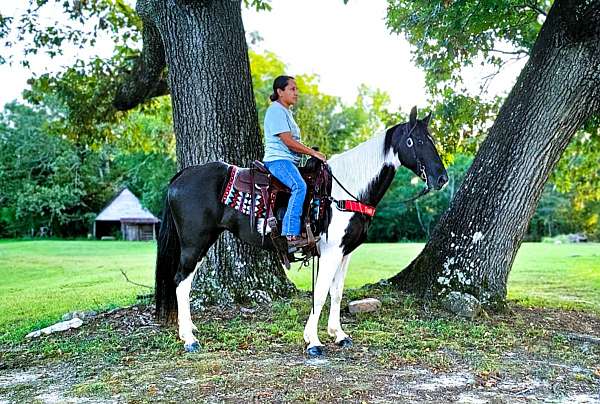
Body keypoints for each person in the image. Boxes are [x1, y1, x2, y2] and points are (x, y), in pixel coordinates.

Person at [263, 75, 326, 246]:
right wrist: (313, 153)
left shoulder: (285, 112)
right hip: (278, 160)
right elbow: (288, 141)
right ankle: (291, 233)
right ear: (280, 92)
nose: (296, 93)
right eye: (292, 89)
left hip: (288, 161)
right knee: (299, 186)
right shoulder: (276, 110)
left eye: (296, 89)